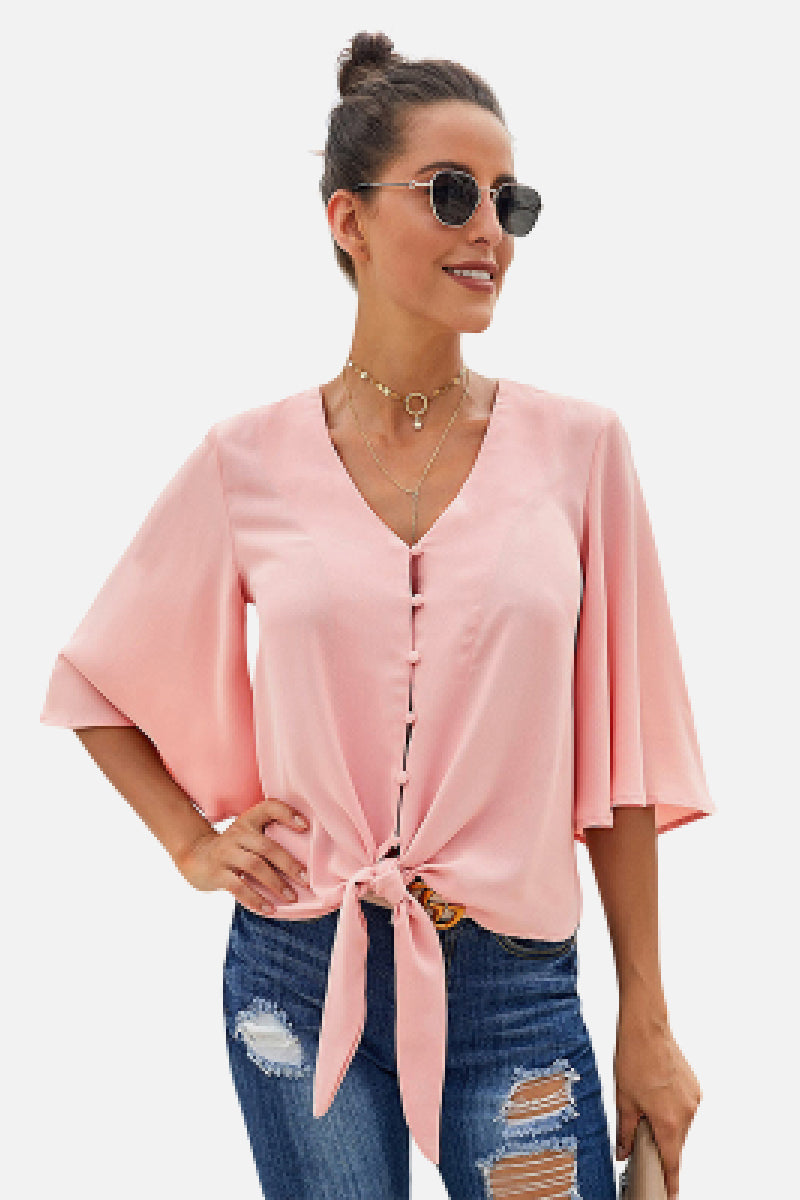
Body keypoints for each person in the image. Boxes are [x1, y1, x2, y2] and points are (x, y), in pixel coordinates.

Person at [40, 30, 716, 1200]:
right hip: (296, 976)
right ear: (347, 220)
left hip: (513, 993)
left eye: (508, 200)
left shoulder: (582, 453)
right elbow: (96, 685)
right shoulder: (245, 459)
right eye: (450, 193)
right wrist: (192, 845)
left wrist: (646, 1016)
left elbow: (624, 764)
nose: (487, 228)